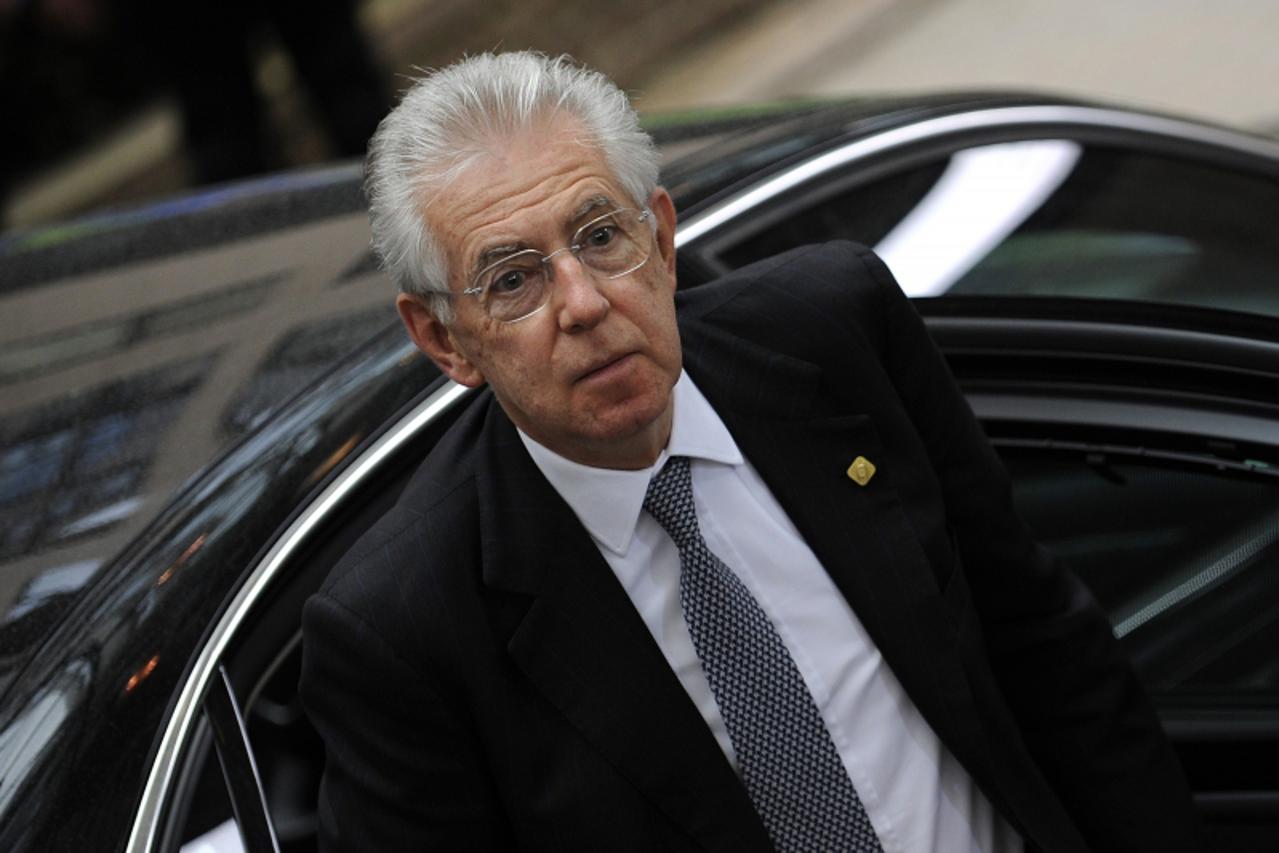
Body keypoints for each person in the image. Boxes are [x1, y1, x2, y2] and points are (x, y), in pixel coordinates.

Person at [299, 51, 1203, 852]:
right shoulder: (405, 629)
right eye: (512, 279)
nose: (582, 302)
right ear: (445, 339)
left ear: (660, 236)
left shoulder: (833, 336)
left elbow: (1046, 648)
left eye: (600, 236)